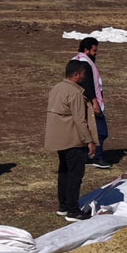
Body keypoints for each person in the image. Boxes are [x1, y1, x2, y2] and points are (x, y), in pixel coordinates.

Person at [45, 59, 99, 221]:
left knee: (64, 172)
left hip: (59, 138)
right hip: (73, 139)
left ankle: (63, 206)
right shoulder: (75, 93)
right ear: (76, 74)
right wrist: (89, 140)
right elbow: (79, 120)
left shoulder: (57, 88)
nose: (84, 78)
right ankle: (73, 210)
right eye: (83, 74)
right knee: (75, 174)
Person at [73, 37, 111, 169]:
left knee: (88, 130)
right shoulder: (85, 63)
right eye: (94, 50)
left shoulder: (77, 61)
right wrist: (94, 101)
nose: (96, 53)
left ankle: (86, 156)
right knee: (100, 131)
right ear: (86, 49)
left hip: (82, 101)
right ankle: (96, 157)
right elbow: (87, 84)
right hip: (89, 101)